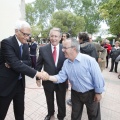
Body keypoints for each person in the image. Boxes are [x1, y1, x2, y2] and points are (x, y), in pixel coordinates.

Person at [39, 38, 105, 120]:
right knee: (75, 116)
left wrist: (98, 93)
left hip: (90, 94)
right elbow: (61, 77)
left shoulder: (89, 60)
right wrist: (48, 77)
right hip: (75, 94)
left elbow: (98, 77)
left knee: (94, 116)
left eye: (65, 48)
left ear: (73, 48)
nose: (62, 50)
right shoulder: (66, 63)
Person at [0, 20, 47, 120]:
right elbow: (15, 64)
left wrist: (16, 63)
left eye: (28, 35)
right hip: (6, 85)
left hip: (20, 84)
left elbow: (28, 62)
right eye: (25, 34)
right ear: (16, 31)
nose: (27, 37)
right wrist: (37, 73)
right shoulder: (6, 43)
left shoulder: (25, 44)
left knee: (20, 113)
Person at [36, 28, 66, 120]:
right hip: (47, 80)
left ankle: (61, 116)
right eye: (52, 36)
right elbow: (39, 64)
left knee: (61, 100)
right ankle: (50, 113)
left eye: (56, 36)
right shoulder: (43, 49)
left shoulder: (65, 48)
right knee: (49, 99)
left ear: (60, 37)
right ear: (49, 37)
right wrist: (37, 78)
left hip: (61, 80)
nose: (53, 38)